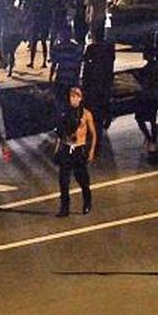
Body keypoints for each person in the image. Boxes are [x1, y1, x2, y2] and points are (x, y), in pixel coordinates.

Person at [54, 86, 97, 217]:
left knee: (82, 178)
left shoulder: (86, 114)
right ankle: (64, 207)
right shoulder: (65, 113)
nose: (72, 99)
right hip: (67, 148)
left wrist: (91, 151)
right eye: (70, 97)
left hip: (79, 148)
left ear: (80, 98)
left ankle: (87, 202)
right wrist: (57, 148)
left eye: (74, 97)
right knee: (63, 180)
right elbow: (61, 133)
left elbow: (93, 134)